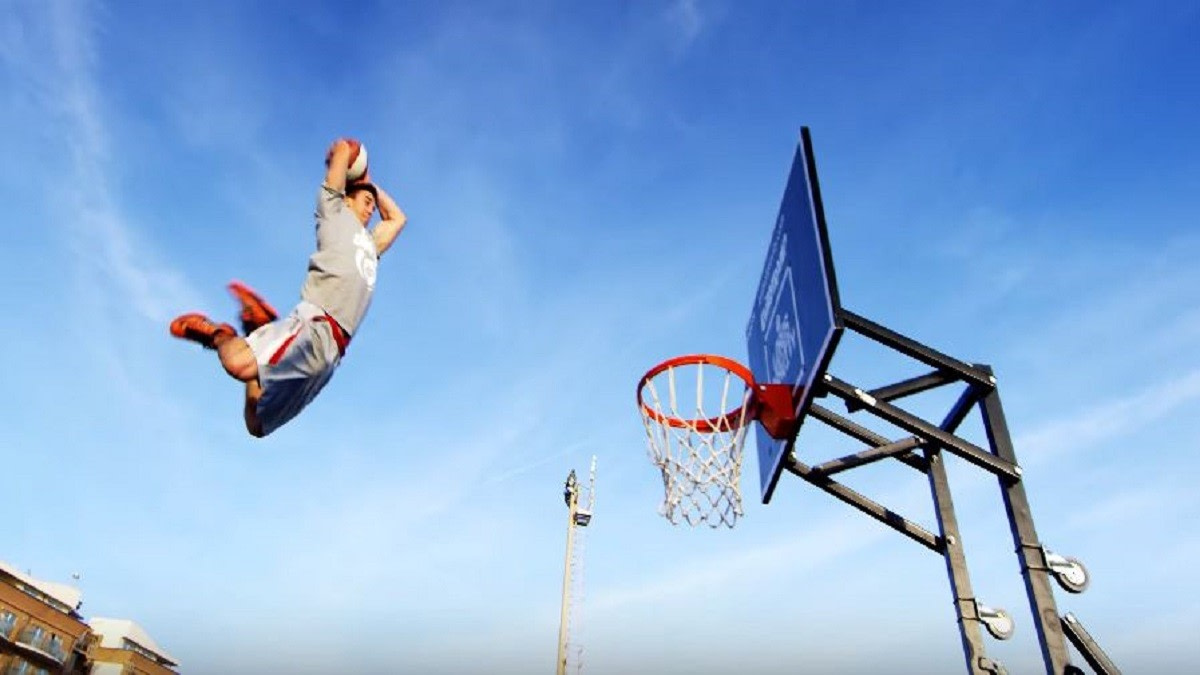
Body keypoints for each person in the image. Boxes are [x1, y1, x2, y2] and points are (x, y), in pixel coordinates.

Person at [169, 138, 407, 437]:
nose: (372, 207)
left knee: (256, 423)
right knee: (236, 363)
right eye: (365, 200)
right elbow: (344, 150)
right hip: (316, 325)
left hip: (332, 356)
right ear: (346, 198)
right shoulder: (332, 212)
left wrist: (369, 184)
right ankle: (221, 335)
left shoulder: (370, 246)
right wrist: (350, 161)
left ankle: (255, 331)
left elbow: (397, 219)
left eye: (373, 204)